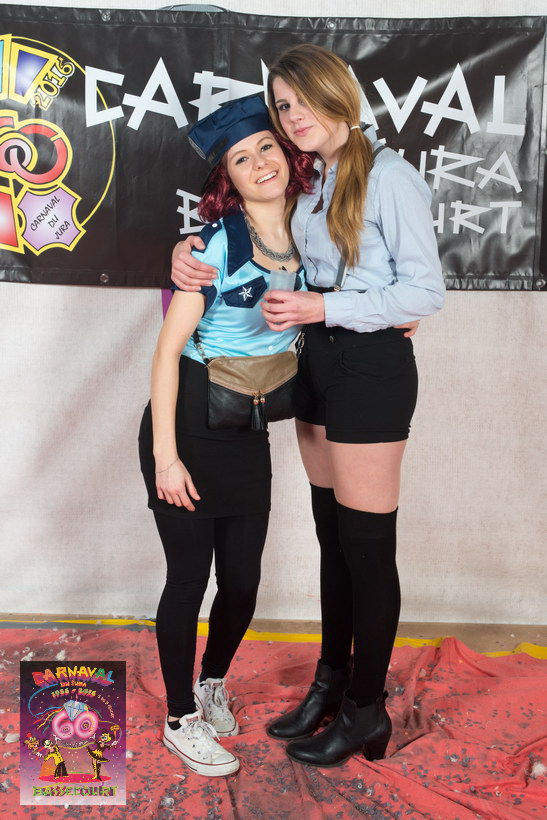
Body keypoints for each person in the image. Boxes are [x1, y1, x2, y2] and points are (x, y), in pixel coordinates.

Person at [171, 44, 444, 769]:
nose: (293, 118)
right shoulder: (309, 179)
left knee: (368, 547)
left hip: (369, 372)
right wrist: (185, 254)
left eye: (304, 100)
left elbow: (425, 292)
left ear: (338, 93)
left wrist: (329, 306)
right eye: (282, 106)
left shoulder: (389, 177)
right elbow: (247, 229)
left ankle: (366, 710)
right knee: (333, 538)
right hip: (317, 365)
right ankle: (331, 683)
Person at [139, 95, 312, 777]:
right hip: (186, 423)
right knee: (189, 579)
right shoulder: (213, 247)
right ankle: (179, 716)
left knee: (241, 581)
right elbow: (165, 352)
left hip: (246, 424)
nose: (259, 163)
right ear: (228, 179)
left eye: (266, 147)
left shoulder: (316, 228)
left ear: (287, 153)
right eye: (242, 159)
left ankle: (211, 681)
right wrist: (166, 458)